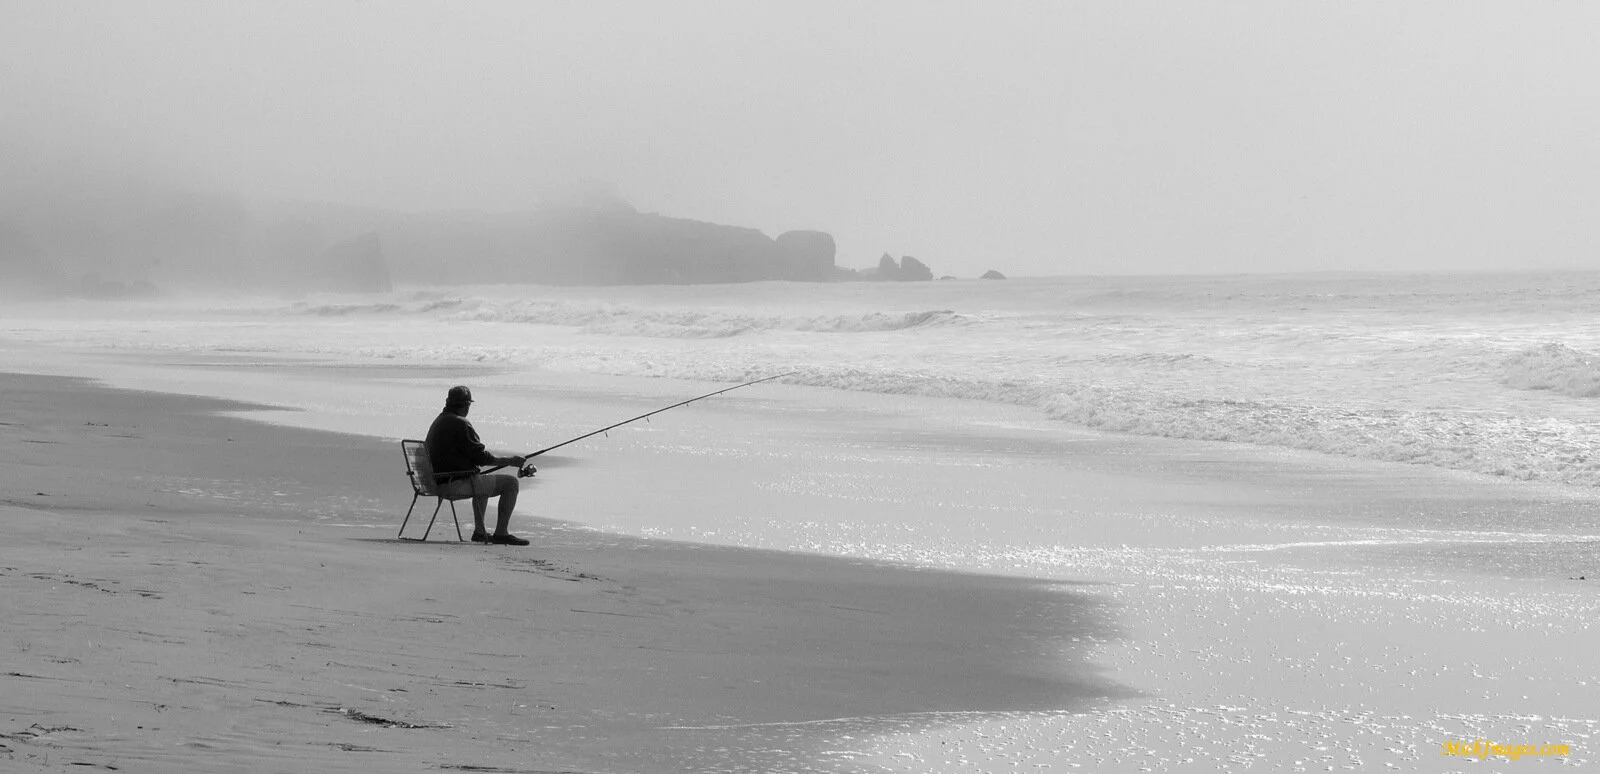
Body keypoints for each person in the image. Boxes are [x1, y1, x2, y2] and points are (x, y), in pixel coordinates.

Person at [423, 385, 530, 546]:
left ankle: (480, 532)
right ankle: (501, 533)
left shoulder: (440, 420)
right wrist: (510, 461)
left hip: (435, 482)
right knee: (511, 483)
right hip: (452, 484)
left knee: (482, 480)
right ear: (466, 405)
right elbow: (481, 457)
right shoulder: (460, 424)